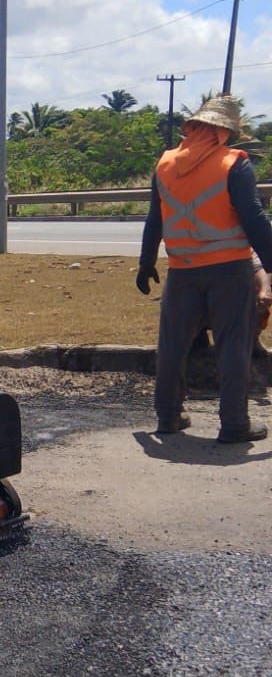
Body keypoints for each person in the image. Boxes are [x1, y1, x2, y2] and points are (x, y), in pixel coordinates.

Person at [137, 94, 272, 443]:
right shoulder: (234, 163)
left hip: (182, 271)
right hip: (229, 271)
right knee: (232, 346)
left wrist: (146, 262)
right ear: (224, 131)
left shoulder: (165, 164)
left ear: (193, 128)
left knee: (172, 345)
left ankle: (168, 417)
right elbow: (254, 219)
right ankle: (235, 425)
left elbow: (154, 220)